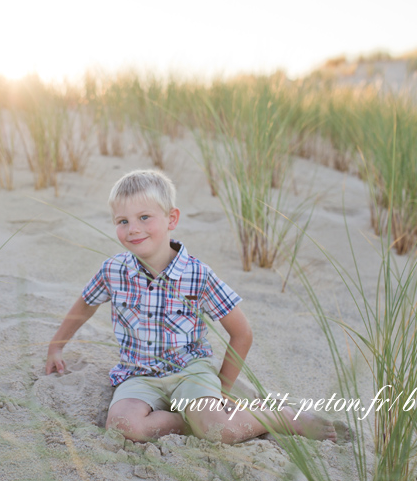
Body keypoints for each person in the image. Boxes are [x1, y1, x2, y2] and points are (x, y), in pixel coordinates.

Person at [45, 169, 344, 444]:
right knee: (124, 425)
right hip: (138, 374)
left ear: (171, 219)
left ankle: (280, 417)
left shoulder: (197, 275)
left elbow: (242, 333)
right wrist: (56, 346)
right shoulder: (113, 270)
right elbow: (85, 305)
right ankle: (191, 421)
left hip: (190, 370)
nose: (133, 229)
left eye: (144, 217)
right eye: (123, 221)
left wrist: (223, 389)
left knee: (220, 430)